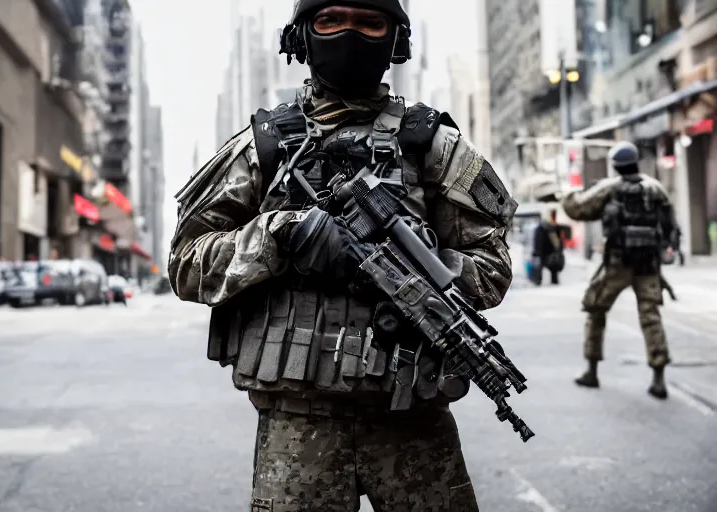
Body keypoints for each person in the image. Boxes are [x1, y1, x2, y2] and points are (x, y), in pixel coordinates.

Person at [169, 1, 516, 509]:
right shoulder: (263, 148)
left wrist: (414, 272)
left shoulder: (433, 147)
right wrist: (282, 237)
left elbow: (492, 271)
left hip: (412, 419)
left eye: (369, 22)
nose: (350, 35)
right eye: (331, 20)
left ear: (394, 41)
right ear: (302, 37)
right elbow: (186, 264)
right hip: (297, 426)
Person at [561, 141, 679, 399]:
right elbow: (670, 225)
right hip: (648, 265)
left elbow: (577, 209)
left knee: (595, 309)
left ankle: (591, 371)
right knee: (651, 317)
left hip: (617, 264)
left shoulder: (610, 188)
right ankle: (659, 379)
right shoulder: (656, 189)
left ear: (615, 166)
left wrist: (568, 193)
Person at [531, 209, 565, 285]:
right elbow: (557, 243)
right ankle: (547, 281)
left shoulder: (544, 228)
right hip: (546, 252)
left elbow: (558, 242)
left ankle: (541, 281)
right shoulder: (550, 229)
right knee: (550, 268)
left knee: (547, 267)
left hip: (545, 252)